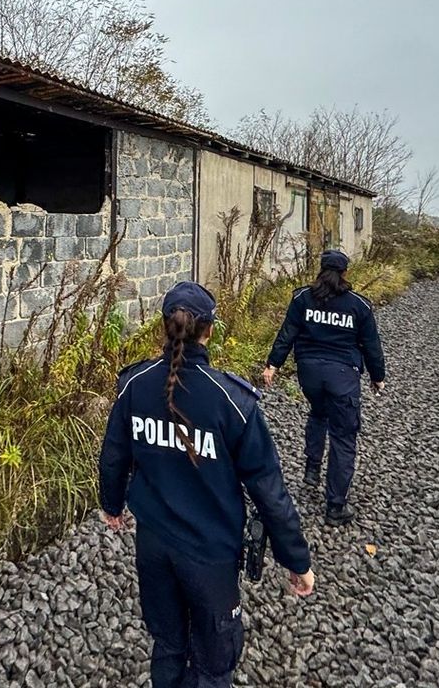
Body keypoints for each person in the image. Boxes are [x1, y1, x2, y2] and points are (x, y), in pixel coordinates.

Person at [99, 281, 314, 688]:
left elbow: (114, 454)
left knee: (167, 643)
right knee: (214, 662)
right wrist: (296, 561)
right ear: (209, 331)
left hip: (153, 545)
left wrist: (112, 506)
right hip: (210, 555)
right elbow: (268, 489)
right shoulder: (233, 402)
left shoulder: (134, 385)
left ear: (163, 327)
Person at [262, 249, 386, 527]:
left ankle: (312, 467)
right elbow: (371, 345)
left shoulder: (302, 299)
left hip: (309, 374)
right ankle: (335, 506)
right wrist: (377, 376)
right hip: (342, 376)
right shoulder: (359, 306)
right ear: (345, 273)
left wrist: (273, 365)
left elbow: (287, 333)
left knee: (319, 413)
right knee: (343, 436)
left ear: (320, 270)